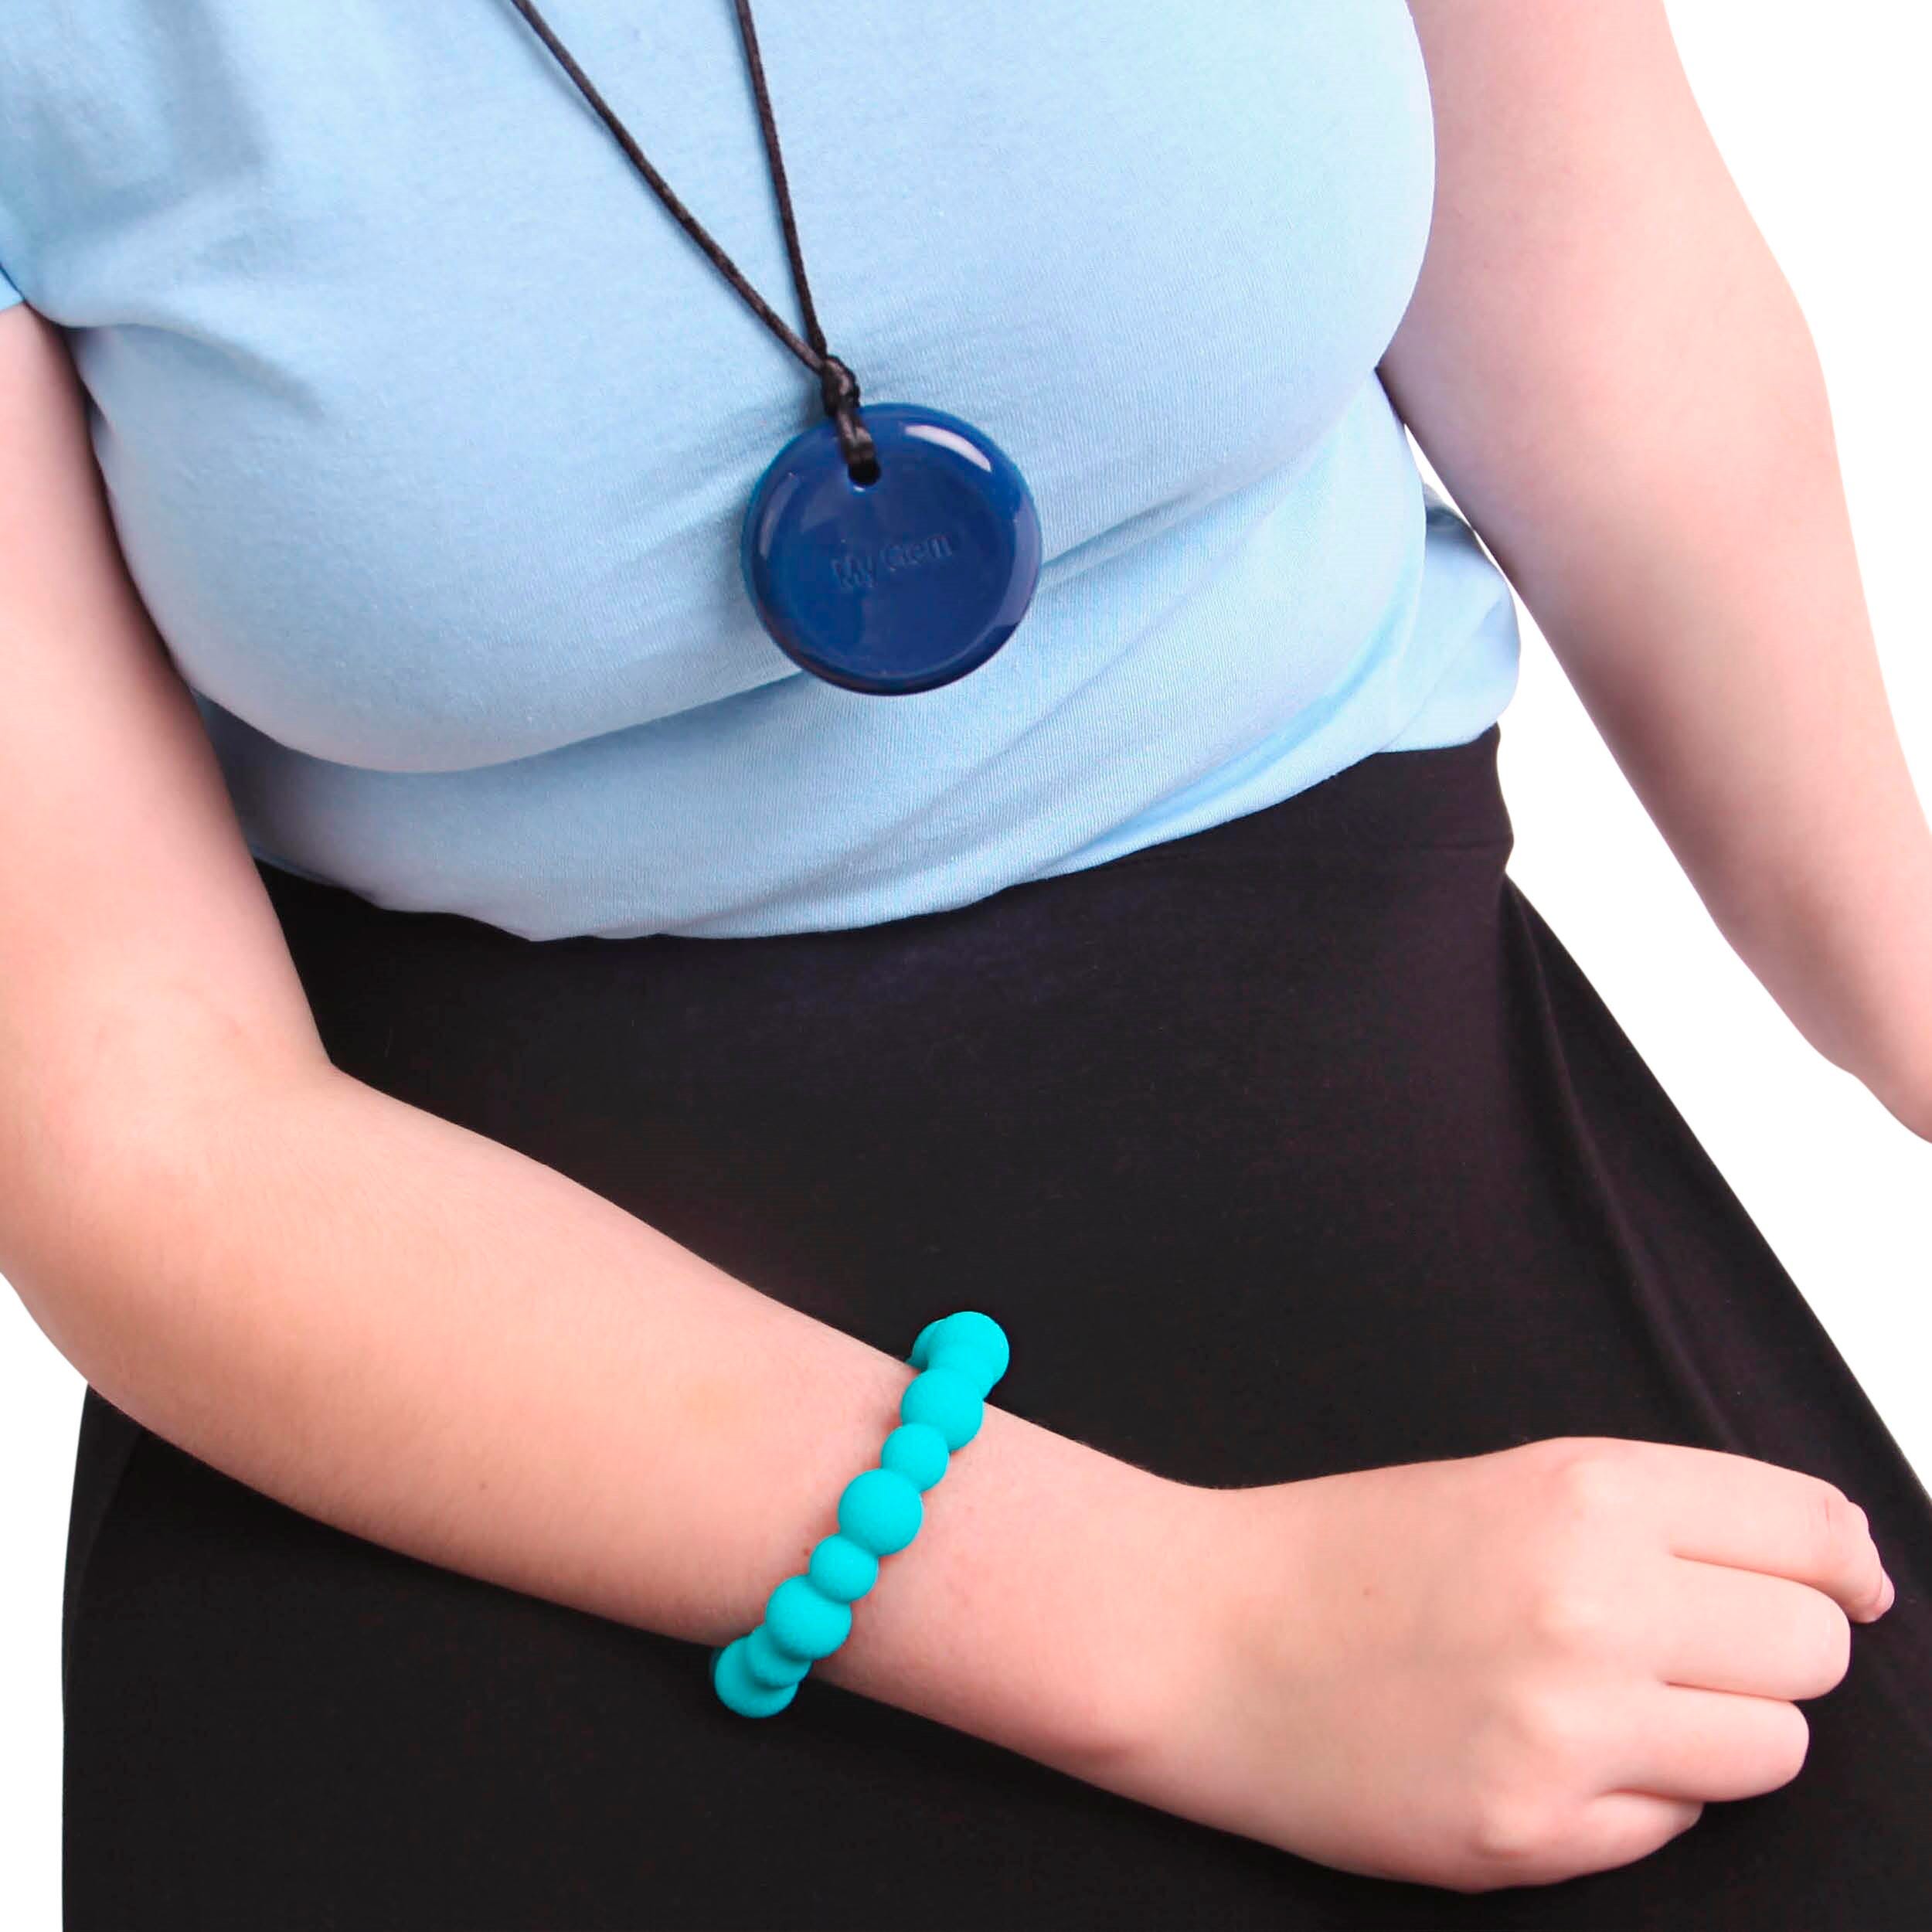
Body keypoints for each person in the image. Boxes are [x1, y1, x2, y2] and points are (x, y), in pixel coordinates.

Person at [3, 2, 1929, 1925]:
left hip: (1391, 1096)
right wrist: (1199, 1631)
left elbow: (1623, 347)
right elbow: (133, 1122)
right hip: (447, 1339)